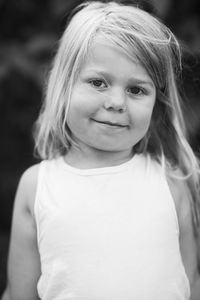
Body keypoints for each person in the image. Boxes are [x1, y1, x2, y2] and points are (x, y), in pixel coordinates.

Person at [2, 1, 200, 299]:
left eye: (136, 89)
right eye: (98, 82)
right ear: (64, 86)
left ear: (155, 104)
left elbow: (191, 284)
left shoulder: (171, 184)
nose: (117, 102)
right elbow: (20, 293)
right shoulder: (37, 186)